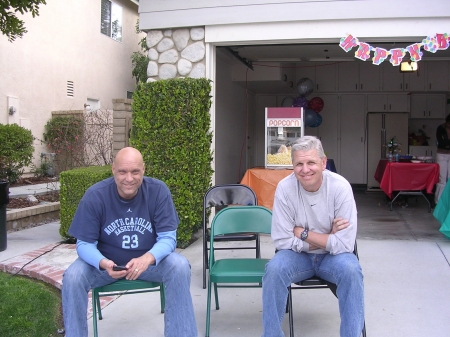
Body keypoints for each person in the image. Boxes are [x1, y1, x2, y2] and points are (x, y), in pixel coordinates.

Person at [62, 147, 198, 337]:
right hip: (107, 267)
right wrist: (104, 263)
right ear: (113, 170)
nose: (129, 178)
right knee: (73, 276)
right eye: (122, 172)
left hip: (148, 266)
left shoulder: (158, 191)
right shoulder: (95, 196)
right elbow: (84, 244)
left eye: (135, 171)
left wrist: (147, 259)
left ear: (143, 169)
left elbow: (168, 238)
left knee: (180, 265)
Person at [261, 136, 364, 337]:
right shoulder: (284, 188)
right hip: (296, 257)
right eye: (299, 163)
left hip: (333, 258)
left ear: (323, 162)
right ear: (292, 165)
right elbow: (282, 240)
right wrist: (326, 239)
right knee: (273, 270)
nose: (305, 169)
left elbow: (344, 244)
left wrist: (303, 233)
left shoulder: (340, 187)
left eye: (311, 162)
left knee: (352, 270)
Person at [435, 114, 450, 203]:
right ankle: (438, 202)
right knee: (442, 178)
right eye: (449, 123)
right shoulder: (440, 128)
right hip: (442, 154)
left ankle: (448, 201)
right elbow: (441, 142)